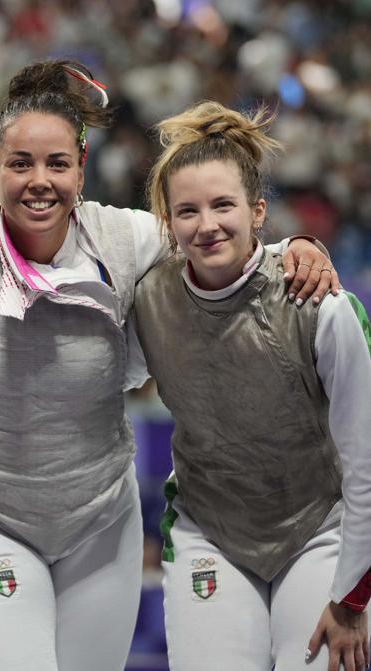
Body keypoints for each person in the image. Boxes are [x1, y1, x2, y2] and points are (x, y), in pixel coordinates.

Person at [0, 60, 339, 671]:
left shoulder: (128, 240)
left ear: (82, 169)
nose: (38, 181)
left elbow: (216, 238)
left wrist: (297, 249)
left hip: (101, 520)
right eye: (20, 164)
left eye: (57, 164)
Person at [133, 101, 371, 671]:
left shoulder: (320, 304)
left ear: (258, 211)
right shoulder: (147, 299)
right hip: (208, 530)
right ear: (167, 222)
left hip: (320, 528)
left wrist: (353, 596)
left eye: (223, 205)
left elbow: (367, 457)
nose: (207, 224)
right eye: (187, 210)